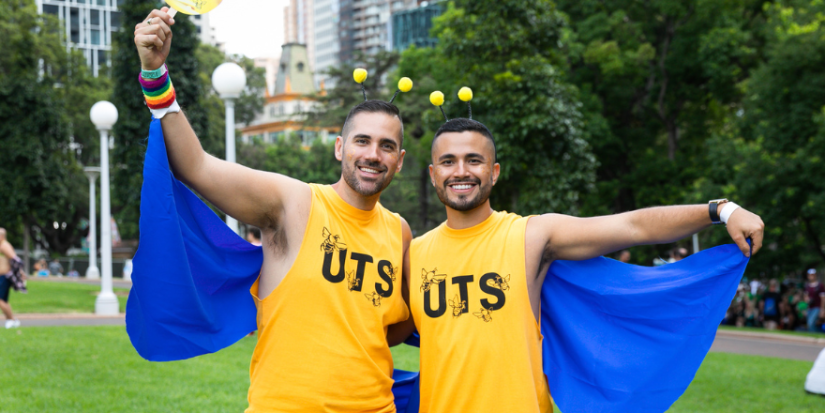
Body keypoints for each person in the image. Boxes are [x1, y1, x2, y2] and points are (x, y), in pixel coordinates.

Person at [134, 8, 413, 412]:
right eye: (362, 141)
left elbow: (390, 325)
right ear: (339, 147)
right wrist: (156, 75)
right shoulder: (293, 203)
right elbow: (197, 167)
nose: (373, 154)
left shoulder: (399, 231)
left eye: (386, 146)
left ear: (400, 160)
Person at [408, 117, 765, 413]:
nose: (461, 171)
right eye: (448, 161)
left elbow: (632, 226)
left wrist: (721, 209)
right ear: (432, 172)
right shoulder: (416, 254)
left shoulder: (530, 236)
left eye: (474, 160)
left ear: (495, 171)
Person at [0, 228, 23, 328]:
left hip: (5, 276)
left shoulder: (4, 246)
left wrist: (18, 273)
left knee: (1, 300)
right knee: (3, 300)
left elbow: (15, 260)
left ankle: (11, 320)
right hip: (3, 276)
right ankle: (12, 320)